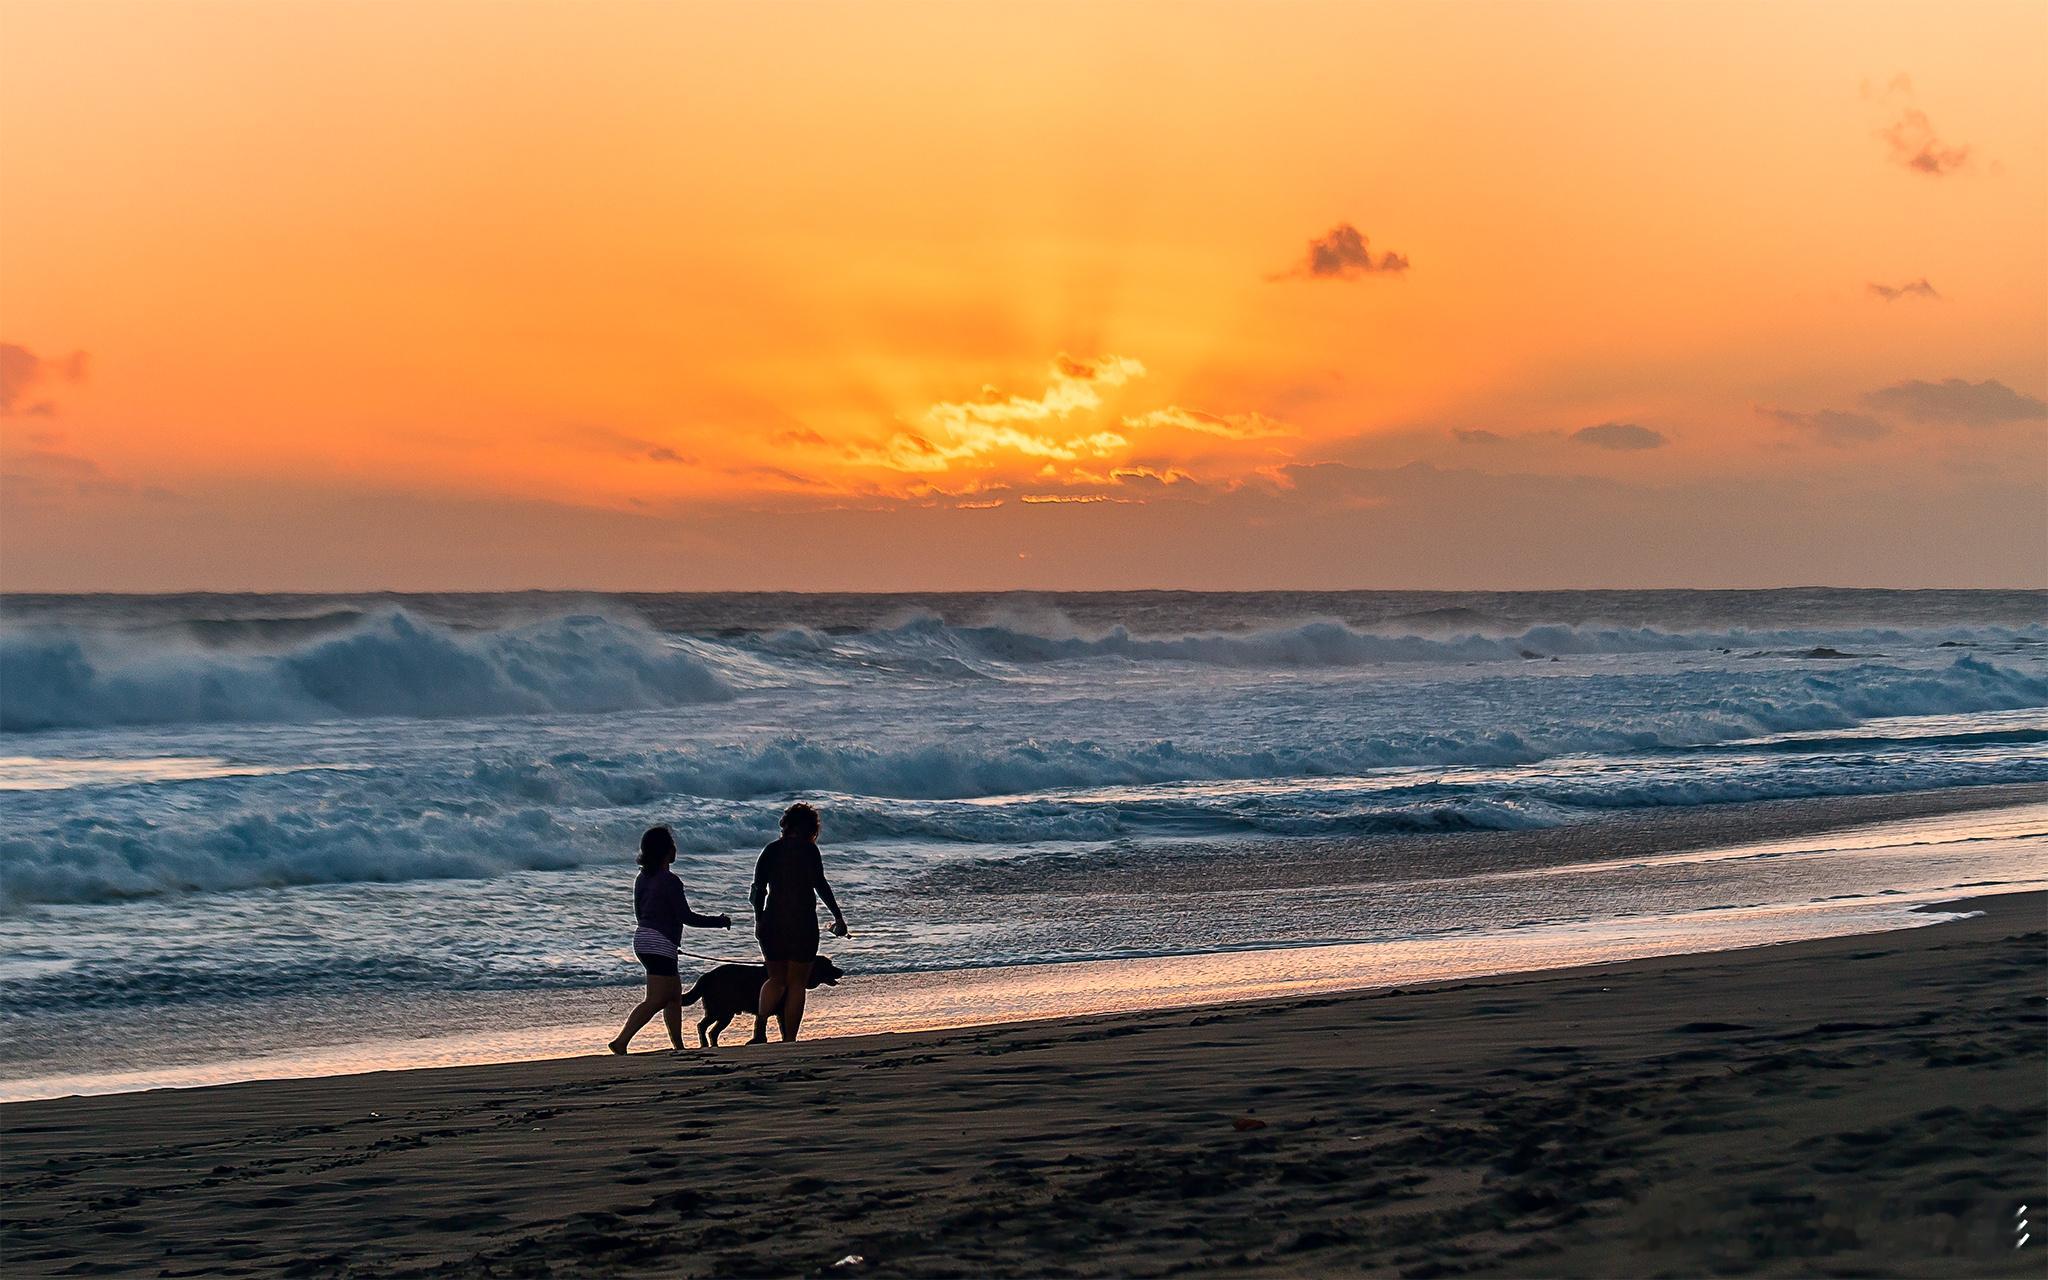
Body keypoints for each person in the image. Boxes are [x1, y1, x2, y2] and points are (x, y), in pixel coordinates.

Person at [610, 825, 730, 1054]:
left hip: (644, 939)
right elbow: (686, 917)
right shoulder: (670, 880)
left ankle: (679, 1046)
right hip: (659, 943)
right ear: (667, 851)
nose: (676, 849)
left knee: (674, 997)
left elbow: (639, 912)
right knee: (656, 999)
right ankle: (621, 1041)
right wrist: (718, 921)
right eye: (673, 845)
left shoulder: (642, 878)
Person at [750, 803, 848, 1043]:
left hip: (772, 922)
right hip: (802, 924)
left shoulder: (770, 850)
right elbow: (820, 885)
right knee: (796, 984)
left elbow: (757, 891)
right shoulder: (809, 851)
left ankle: (760, 1028)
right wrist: (837, 916)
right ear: (810, 828)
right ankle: (789, 1039)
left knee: (775, 979)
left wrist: (759, 919)